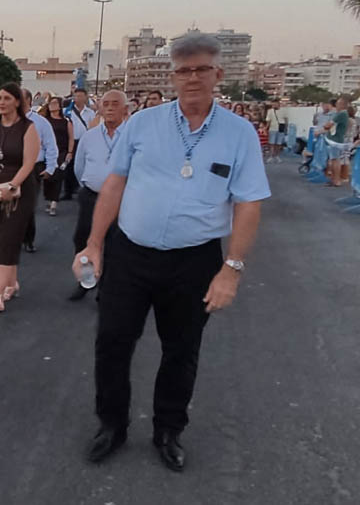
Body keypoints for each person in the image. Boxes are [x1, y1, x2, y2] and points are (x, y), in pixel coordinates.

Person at [74, 33, 270, 472]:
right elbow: (115, 184)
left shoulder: (239, 133)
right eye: (184, 71)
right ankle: (112, 424)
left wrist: (231, 269)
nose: (192, 78)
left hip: (194, 260)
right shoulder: (143, 123)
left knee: (181, 349)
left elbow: (249, 204)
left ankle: (168, 430)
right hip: (130, 254)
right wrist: (94, 243)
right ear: (173, 76)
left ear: (219, 74)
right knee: (112, 341)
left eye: (202, 69)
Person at [0, 82, 40, 312]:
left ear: (17, 102)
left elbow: (29, 162)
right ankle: (11, 282)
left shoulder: (28, 128)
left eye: (6, 98)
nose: (1, 102)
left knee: (9, 237)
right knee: (1, 237)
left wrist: (12, 186)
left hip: (20, 191)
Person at [67, 90, 127, 301]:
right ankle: (85, 280)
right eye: (106, 104)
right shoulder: (89, 136)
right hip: (91, 196)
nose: (110, 108)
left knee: (114, 243)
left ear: (125, 109)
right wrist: (89, 184)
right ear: (99, 108)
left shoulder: (131, 137)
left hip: (121, 201)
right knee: (82, 238)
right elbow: (79, 167)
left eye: (115, 104)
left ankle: (106, 288)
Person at [18, 89, 59, 254]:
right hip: (11, 167)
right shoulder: (7, 120)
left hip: (33, 167)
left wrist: (50, 167)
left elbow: (50, 145)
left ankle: (28, 240)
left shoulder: (40, 122)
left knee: (27, 205)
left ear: (29, 101)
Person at [40, 96, 73, 216]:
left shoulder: (66, 121)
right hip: (47, 151)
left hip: (61, 151)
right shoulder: (45, 120)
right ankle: (49, 199)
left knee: (58, 175)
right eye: (50, 103)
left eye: (55, 103)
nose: (52, 105)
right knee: (48, 176)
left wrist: (70, 152)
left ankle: (54, 202)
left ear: (60, 106)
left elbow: (71, 138)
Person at [63, 88, 95, 200]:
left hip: (85, 141)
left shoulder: (90, 113)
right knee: (69, 166)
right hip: (71, 141)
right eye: (76, 96)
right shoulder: (67, 111)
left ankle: (81, 187)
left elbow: (92, 127)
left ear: (86, 97)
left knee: (83, 165)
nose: (78, 98)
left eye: (80, 96)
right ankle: (68, 192)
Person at [321, 97, 352, 187]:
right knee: (334, 160)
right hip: (336, 139)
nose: (336, 105)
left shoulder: (341, 114)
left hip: (335, 140)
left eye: (338, 104)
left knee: (335, 160)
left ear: (342, 105)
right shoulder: (343, 114)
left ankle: (336, 180)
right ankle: (334, 179)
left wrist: (326, 126)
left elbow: (328, 125)